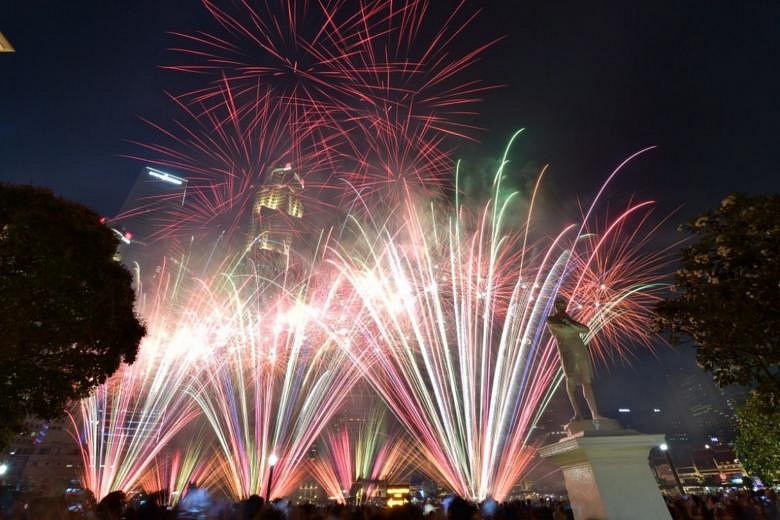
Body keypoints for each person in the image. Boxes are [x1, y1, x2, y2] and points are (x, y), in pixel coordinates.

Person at [546, 296, 603, 422]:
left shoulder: (569, 320)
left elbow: (586, 329)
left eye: (563, 303)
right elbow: (563, 330)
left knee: (586, 382)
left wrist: (570, 323)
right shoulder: (552, 319)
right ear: (555, 306)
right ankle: (577, 413)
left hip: (580, 352)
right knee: (570, 381)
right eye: (559, 303)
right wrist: (572, 327)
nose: (561, 305)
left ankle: (595, 415)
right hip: (567, 353)